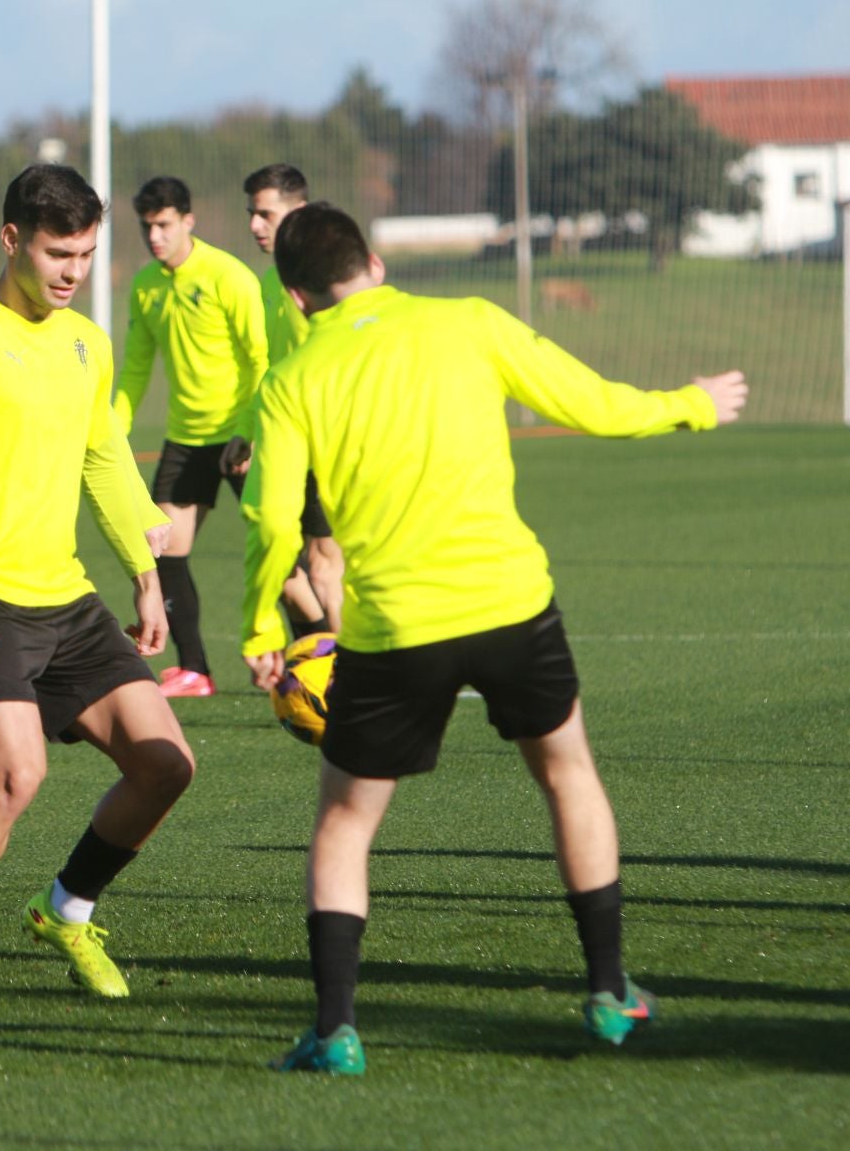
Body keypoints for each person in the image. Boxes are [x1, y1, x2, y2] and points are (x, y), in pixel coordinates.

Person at [239, 202, 748, 1074]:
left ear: (293, 293)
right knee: (567, 772)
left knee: (346, 822)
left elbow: (271, 517)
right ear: (374, 259)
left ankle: (334, 1033)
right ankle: (610, 994)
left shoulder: (294, 377)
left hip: (393, 627)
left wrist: (259, 624)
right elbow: (594, 405)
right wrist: (691, 405)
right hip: (512, 605)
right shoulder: (469, 322)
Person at [0, 165, 195, 1012]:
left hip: (66, 593)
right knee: (16, 776)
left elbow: (104, 459)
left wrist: (145, 575)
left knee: (166, 764)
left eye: (85, 255)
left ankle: (66, 911)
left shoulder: (87, 342)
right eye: (58, 253)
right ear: (10, 240)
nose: (71, 271)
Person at [111, 176, 268, 697]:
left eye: (164, 225)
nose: (154, 236)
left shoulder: (230, 276)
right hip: (184, 440)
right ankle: (195, 669)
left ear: (188, 221)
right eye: (147, 226)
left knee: (281, 549)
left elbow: (259, 359)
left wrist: (248, 431)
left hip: (240, 436)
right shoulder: (145, 286)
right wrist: (112, 429)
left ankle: (311, 655)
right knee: (162, 551)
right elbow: (135, 369)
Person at [220, 163, 341, 633]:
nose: (254, 225)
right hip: (287, 445)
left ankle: (354, 679)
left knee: (327, 561)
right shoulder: (270, 282)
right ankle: (327, 664)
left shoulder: (332, 278)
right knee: (290, 559)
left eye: (265, 215)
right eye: (252, 213)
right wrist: (245, 431)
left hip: (334, 445)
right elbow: (272, 369)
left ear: (300, 211)